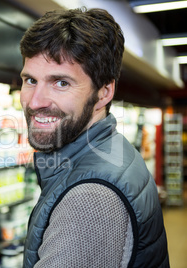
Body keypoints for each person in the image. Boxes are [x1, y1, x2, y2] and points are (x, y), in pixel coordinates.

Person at [19, 7, 169, 268]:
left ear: (104, 93)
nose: (35, 101)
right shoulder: (114, 150)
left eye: (61, 83)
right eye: (30, 80)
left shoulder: (89, 200)